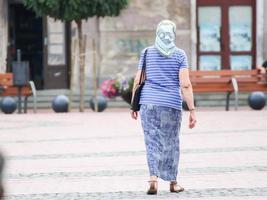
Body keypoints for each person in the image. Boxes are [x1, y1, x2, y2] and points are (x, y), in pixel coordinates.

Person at [130, 20, 196, 195]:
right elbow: (186, 85)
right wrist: (192, 109)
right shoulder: (180, 55)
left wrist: (133, 106)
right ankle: (173, 183)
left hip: (148, 104)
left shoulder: (146, 53)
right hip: (171, 105)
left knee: (151, 142)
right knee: (171, 143)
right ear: (172, 34)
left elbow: (138, 80)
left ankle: (153, 179)